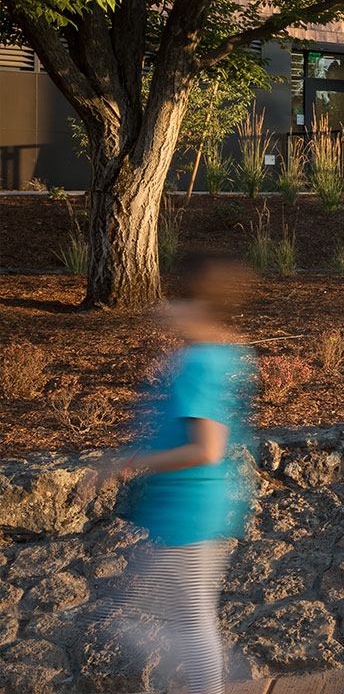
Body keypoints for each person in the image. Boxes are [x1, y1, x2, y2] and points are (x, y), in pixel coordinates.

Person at [91, 257, 256, 694]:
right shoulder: (223, 355)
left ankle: (213, 682)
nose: (167, 308)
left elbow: (207, 448)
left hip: (188, 512)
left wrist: (129, 462)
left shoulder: (198, 365)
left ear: (198, 305)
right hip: (197, 509)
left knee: (180, 618)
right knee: (186, 612)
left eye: (177, 299)